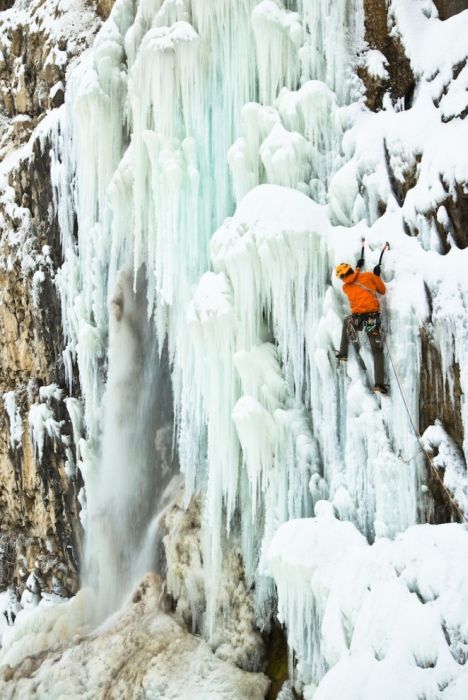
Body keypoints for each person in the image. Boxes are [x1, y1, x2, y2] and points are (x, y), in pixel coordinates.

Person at [335, 258, 388, 394]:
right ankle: (379, 384)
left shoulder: (346, 287)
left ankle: (343, 353)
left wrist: (358, 267)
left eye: (341, 277)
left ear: (343, 276)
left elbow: (352, 279)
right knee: (377, 351)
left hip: (357, 320)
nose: (342, 280)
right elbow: (382, 290)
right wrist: (376, 276)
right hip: (371, 320)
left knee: (347, 321)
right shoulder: (369, 276)